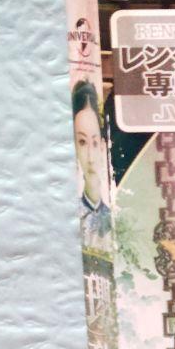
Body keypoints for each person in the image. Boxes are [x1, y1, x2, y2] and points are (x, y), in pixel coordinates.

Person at [71, 79, 111, 251]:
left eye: (94, 143)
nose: (90, 157)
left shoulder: (113, 215)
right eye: (82, 142)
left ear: (102, 146)